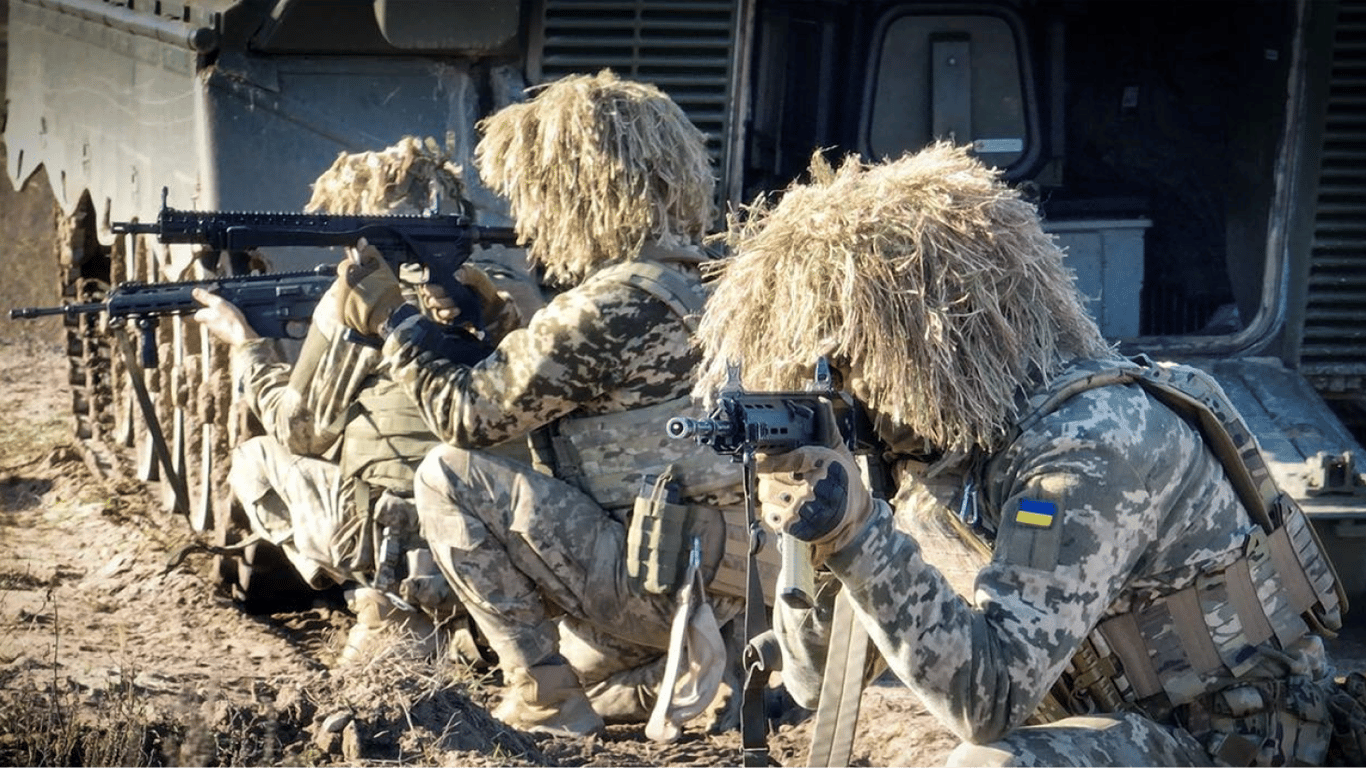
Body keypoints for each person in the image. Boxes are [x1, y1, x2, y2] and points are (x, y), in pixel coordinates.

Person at [689, 142, 1350, 767]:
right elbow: (812, 685)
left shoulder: (1087, 444)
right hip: (1123, 727)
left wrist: (861, 537)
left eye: (848, 364)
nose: (842, 388)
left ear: (926, 343)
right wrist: (818, 542)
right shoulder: (935, 448)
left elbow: (989, 704)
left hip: (1238, 744)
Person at [331, 69, 774, 737]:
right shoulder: (713, 282)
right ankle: (689, 676)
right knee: (579, 662)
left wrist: (395, 324)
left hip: (656, 586)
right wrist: (499, 325)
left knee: (446, 476)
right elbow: (595, 397)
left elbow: (469, 420)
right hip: (740, 585)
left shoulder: (607, 304)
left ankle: (547, 700)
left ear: (579, 194)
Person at [193, 136, 538, 665]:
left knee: (253, 461)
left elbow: (302, 428)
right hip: (510, 533)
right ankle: (467, 620)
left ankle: (379, 601)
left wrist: (246, 346)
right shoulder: (504, 291)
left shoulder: (360, 299)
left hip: (400, 532)